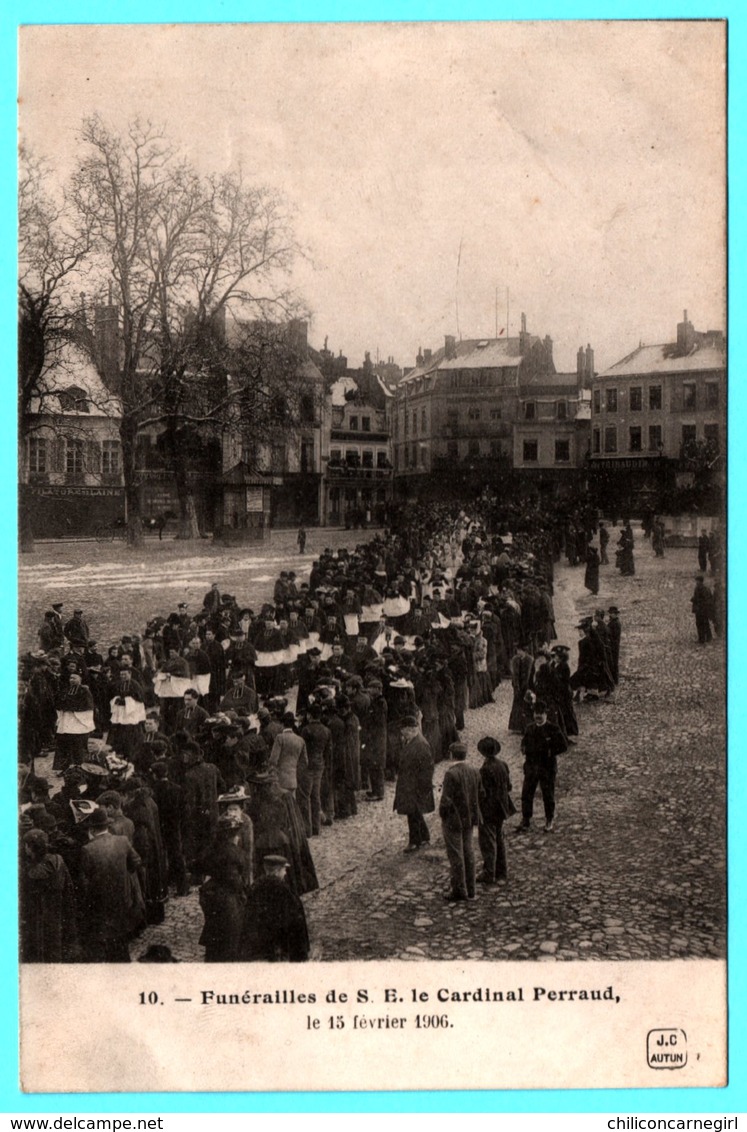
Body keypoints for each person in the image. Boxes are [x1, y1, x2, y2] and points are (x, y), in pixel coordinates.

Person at [78, 807, 144, 962]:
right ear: (107, 825)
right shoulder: (122, 841)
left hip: (101, 905)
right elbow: (137, 861)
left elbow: (85, 883)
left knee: (105, 942)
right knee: (120, 940)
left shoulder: (87, 849)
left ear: (92, 829)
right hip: (123, 899)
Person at [238, 855, 310, 962]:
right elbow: (295, 917)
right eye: (284, 870)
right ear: (277, 871)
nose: (285, 873)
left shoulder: (256, 885)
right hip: (280, 941)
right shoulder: (284, 889)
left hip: (259, 942)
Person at [439, 741, 482, 902]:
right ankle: (471, 890)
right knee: (469, 852)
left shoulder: (451, 774)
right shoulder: (474, 771)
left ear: (451, 755)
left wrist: (444, 815)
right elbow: (481, 793)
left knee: (456, 854)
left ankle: (459, 889)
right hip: (470, 818)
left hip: (453, 820)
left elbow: (446, 801)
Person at [516, 700, 568, 834]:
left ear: (546, 714)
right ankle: (526, 819)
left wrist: (551, 751)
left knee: (548, 795)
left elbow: (563, 746)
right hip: (531, 767)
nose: (538, 716)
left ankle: (549, 820)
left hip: (547, 767)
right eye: (536, 713)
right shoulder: (530, 728)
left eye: (540, 714)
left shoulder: (553, 729)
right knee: (527, 794)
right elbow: (524, 742)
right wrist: (523, 748)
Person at [476, 736, 515, 884]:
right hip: (502, 808)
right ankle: (502, 872)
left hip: (489, 810)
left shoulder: (485, 769)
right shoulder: (503, 764)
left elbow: (483, 793)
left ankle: (489, 872)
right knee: (499, 839)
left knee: (488, 841)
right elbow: (509, 786)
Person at [393, 715, 435, 852]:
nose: (402, 733)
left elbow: (427, 769)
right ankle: (424, 837)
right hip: (410, 784)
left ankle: (414, 842)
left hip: (415, 786)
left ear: (410, 729)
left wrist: (423, 788)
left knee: (413, 814)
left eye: (403, 730)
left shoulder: (421, 745)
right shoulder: (413, 741)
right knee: (415, 813)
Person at [691, 574, 715, 644]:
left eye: (697, 581)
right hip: (701, 609)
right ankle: (707, 638)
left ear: (700, 581)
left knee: (701, 624)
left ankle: (703, 639)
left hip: (701, 609)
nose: (696, 582)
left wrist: (695, 600)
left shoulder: (701, 589)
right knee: (703, 623)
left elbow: (704, 599)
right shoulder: (702, 588)